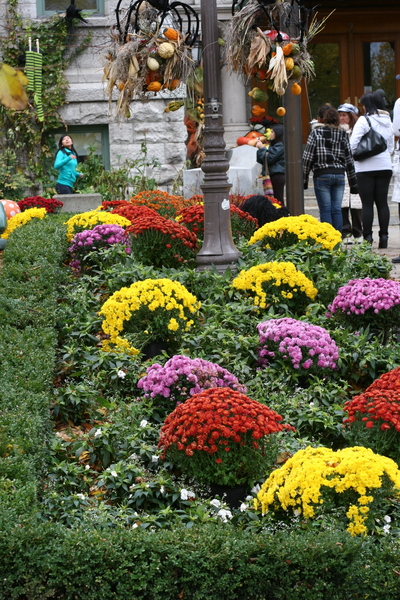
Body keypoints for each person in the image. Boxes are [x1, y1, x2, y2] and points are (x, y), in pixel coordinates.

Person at [303, 105, 358, 232]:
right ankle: (337, 238)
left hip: (322, 174)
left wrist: (304, 179)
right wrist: (353, 183)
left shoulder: (316, 133)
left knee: (325, 210)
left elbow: (307, 157)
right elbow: (349, 159)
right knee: (337, 209)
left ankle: (328, 238)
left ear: (321, 119)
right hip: (339, 175)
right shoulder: (342, 134)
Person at [350, 90, 394, 247]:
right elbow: (390, 147)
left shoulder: (364, 120)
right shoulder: (388, 121)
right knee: (382, 202)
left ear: (367, 106)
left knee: (367, 203)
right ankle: (384, 237)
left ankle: (368, 238)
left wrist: (357, 156)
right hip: (385, 166)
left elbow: (353, 143)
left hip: (365, 167)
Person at [338, 103, 363, 241]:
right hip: (341, 169)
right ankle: (345, 231)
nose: (341, 118)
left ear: (351, 117)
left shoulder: (359, 130)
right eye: (340, 115)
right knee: (342, 202)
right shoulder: (337, 131)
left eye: (344, 115)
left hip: (356, 169)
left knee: (356, 201)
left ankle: (358, 232)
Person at [255, 124, 285, 205]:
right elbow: (262, 160)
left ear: (278, 133)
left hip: (277, 174)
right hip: (273, 174)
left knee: (277, 199)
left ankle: (281, 212)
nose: (270, 134)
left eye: (272, 132)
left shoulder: (280, 145)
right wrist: (262, 150)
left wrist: (262, 148)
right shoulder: (275, 145)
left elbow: (269, 158)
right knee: (273, 199)